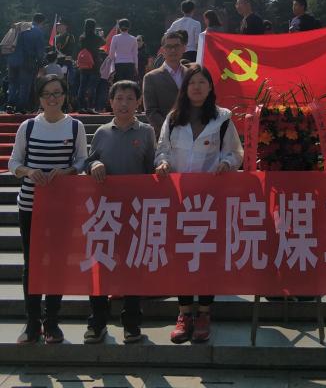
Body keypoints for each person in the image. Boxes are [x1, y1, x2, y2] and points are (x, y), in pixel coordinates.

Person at [155, 65, 243, 344]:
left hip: (211, 199)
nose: (197, 87)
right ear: (185, 88)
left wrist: (227, 163)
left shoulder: (223, 119)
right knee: (182, 255)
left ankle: (204, 312)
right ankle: (184, 313)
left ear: (210, 87)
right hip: (179, 198)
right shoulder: (173, 118)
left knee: (207, 255)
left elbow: (235, 152)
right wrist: (162, 164)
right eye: (192, 82)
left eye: (202, 82)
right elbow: (162, 150)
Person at [8, 74, 87, 344]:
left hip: (62, 206)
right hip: (30, 205)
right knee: (32, 264)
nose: (52, 98)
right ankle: (32, 322)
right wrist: (29, 171)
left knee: (57, 262)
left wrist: (67, 171)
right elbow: (14, 163)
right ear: (39, 98)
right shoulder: (29, 126)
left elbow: (82, 160)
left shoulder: (75, 127)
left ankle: (52, 321)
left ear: (65, 95)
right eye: (46, 94)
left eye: (57, 93)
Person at [83, 80, 156, 344]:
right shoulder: (102, 132)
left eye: (130, 99)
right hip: (105, 213)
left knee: (133, 268)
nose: (124, 104)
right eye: (119, 98)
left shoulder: (146, 132)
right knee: (100, 267)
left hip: (136, 212)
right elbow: (88, 161)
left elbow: (152, 166)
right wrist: (94, 165)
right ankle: (97, 323)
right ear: (111, 102)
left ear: (138, 103)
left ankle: (132, 324)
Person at [143, 32, 188, 138]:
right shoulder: (151, 78)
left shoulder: (192, 74)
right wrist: (170, 129)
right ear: (162, 50)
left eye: (176, 46)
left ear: (184, 48)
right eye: (168, 47)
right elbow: (151, 111)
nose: (173, 50)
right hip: (165, 136)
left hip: (192, 135)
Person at [12, 13, 46, 113]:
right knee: (25, 85)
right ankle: (21, 107)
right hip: (28, 61)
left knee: (13, 84)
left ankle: (10, 105)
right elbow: (40, 51)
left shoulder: (21, 27)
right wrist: (41, 64)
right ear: (41, 22)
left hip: (13, 59)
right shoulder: (38, 31)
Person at [77, 19, 105, 112]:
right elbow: (104, 43)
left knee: (82, 86)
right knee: (92, 86)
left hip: (84, 64)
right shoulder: (97, 38)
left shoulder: (82, 37)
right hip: (94, 64)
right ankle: (90, 107)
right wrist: (101, 35)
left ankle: (81, 107)